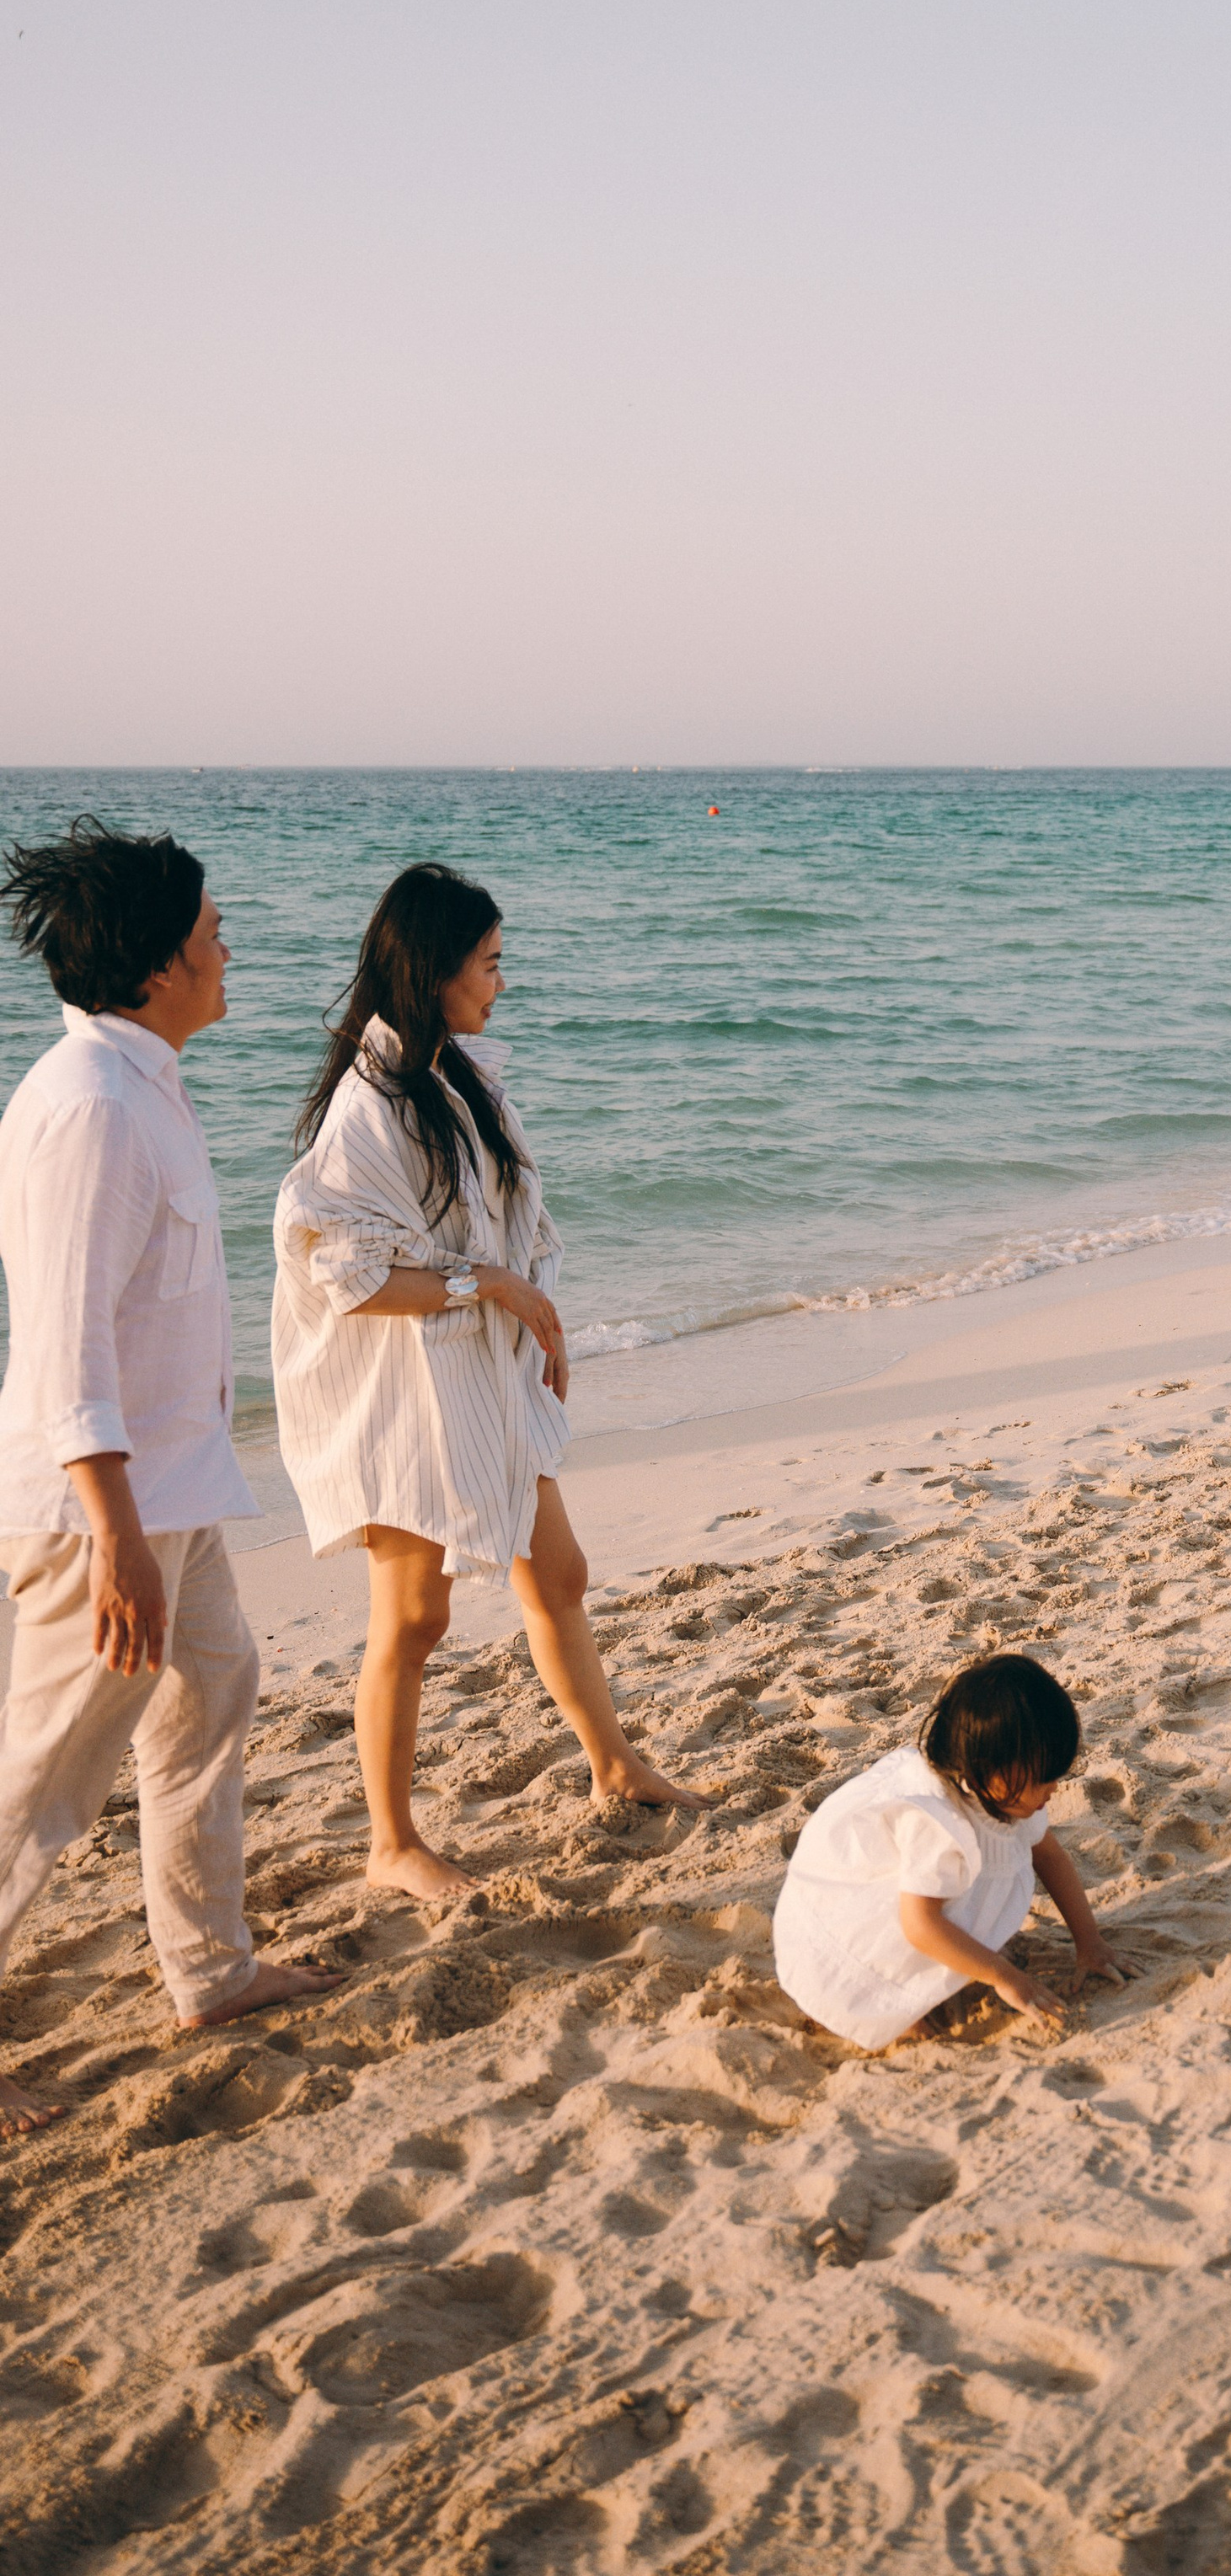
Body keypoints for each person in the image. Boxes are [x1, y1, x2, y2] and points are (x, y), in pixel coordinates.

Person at [272, 863, 712, 1900]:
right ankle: (390, 1841)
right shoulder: (369, 1105)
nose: (500, 984)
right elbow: (349, 1273)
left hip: (477, 1382)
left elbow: (509, 1221)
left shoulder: (453, 1074)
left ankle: (614, 1764)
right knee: (413, 1618)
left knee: (556, 1573)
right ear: (434, 972)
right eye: (489, 964)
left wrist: (530, 1309)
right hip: (405, 1399)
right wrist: (497, 1288)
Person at [0, 820, 335, 2137]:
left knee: (212, 1691)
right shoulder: (88, 1107)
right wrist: (116, 1533)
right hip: (105, 1512)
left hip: (174, 1487)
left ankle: (211, 1968)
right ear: (154, 965)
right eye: (209, 933)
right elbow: (65, 1346)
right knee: (44, 1774)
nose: (227, 946)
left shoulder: (145, 1082)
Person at [773, 1653, 1128, 2049]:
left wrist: (1090, 1943)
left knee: (960, 1899)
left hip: (917, 1907)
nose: (1054, 1790)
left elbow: (1050, 1857)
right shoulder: (936, 1824)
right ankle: (882, 2006)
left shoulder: (1007, 1798)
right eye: (1043, 1779)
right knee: (900, 1988)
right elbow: (921, 1926)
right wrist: (1005, 1977)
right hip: (861, 1917)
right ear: (985, 1771)